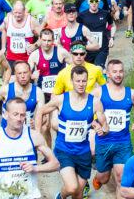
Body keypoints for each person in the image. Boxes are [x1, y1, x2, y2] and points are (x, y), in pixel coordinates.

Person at [38, 66, 108, 199]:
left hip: (83, 153)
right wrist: (36, 133)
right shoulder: (61, 99)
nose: (81, 84)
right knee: (72, 187)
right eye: (78, 81)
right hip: (64, 150)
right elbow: (41, 111)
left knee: (78, 193)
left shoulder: (95, 102)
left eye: (84, 81)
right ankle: (60, 196)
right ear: (72, 81)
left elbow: (105, 127)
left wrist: (101, 129)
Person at [0, 97, 60, 199]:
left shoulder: (34, 136)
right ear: (6, 115)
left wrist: (35, 168)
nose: (19, 118)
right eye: (15, 114)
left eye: (22, 115)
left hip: (29, 194)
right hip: (3, 194)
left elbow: (56, 164)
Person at [91, 59, 134, 193]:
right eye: (114, 72)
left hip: (123, 142)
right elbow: (86, 113)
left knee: (122, 179)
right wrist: (95, 125)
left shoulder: (131, 93)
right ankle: (98, 178)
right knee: (104, 178)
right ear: (108, 74)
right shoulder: (98, 92)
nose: (118, 74)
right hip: (103, 142)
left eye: (120, 71)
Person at [0, 61, 43, 132]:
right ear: (15, 75)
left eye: (25, 72)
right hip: (6, 133)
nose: (22, 76)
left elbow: (40, 114)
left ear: (30, 73)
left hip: (26, 132)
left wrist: (35, 126)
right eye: (19, 73)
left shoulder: (38, 92)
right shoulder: (6, 89)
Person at [0, 1, 41, 70]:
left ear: (24, 11)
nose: (17, 15)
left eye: (20, 13)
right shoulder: (7, 20)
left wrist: (35, 45)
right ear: (12, 11)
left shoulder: (32, 21)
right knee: (11, 80)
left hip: (27, 60)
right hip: (11, 59)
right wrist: (3, 47)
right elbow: (4, 30)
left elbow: (43, 37)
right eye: (15, 13)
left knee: (26, 80)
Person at [77, 0, 114, 67]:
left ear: (99, 2)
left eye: (96, 1)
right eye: (91, 1)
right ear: (88, 2)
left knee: (98, 68)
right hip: (88, 49)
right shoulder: (81, 15)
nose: (94, 3)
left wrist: (111, 37)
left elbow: (112, 26)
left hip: (102, 48)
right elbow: (77, 29)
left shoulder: (105, 13)